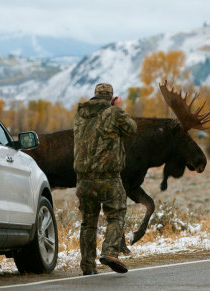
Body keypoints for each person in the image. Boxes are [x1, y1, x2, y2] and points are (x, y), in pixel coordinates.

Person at [73, 83, 137, 275]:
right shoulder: (114, 113)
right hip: (108, 177)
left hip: (83, 179)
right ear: (111, 97)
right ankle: (109, 252)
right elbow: (132, 129)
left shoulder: (80, 115)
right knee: (116, 214)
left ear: (95, 96)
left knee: (88, 222)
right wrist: (117, 109)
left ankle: (87, 266)